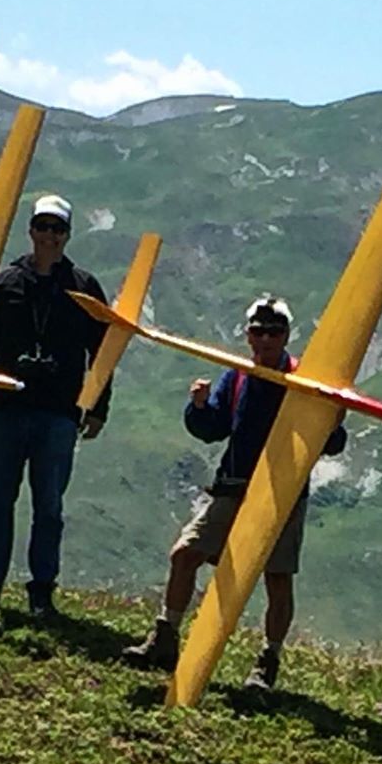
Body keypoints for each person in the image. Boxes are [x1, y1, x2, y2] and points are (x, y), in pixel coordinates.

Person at [123, 295, 347, 689]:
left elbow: (330, 443)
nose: (264, 341)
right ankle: (165, 637)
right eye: (257, 332)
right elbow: (213, 428)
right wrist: (197, 406)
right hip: (233, 488)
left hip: (282, 496)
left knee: (277, 578)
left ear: (286, 336)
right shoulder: (239, 374)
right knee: (185, 553)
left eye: (273, 333)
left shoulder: (301, 377)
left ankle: (268, 663)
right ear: (247, 335)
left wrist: (332, 420)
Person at [0, 194, 111, 618]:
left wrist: (98, 407)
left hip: (60, 413)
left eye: (57, 229)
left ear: (68, 235)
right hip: (7, 408)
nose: (49, 236)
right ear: (31, 230)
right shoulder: (6, 282)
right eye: (42, 226)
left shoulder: (85, 287)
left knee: (49, 506)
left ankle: (41, 593)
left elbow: (102, 350)